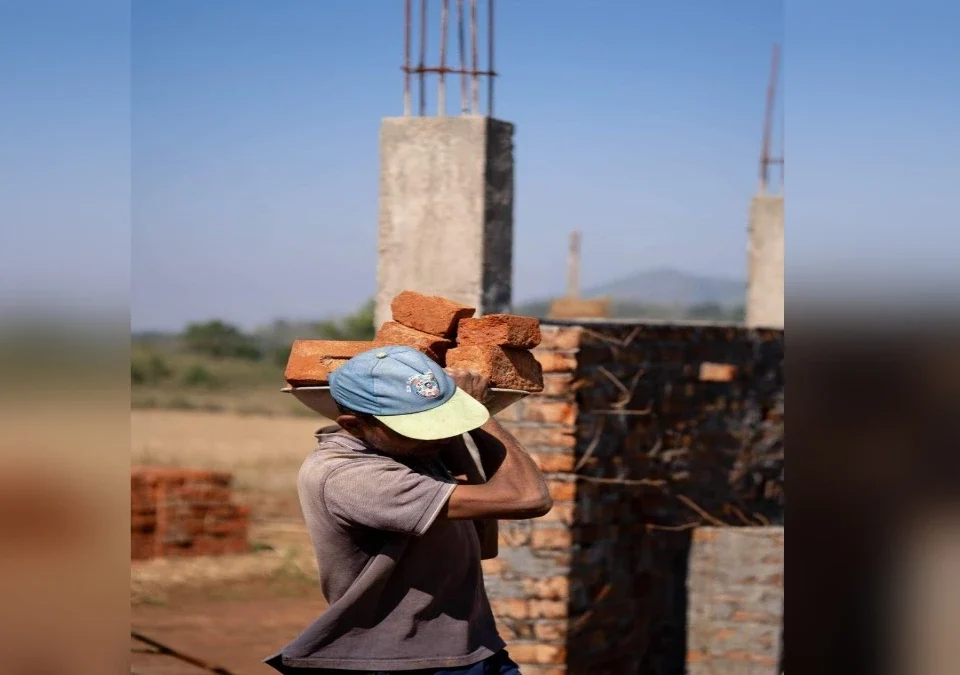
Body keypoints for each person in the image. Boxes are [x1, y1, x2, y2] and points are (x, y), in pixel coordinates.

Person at [265, 344, 552, 675]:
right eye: (417, 427)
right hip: (403, 663)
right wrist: (476, 414)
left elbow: (483, 545)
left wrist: (453, 422)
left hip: (473, 650)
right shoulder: (351, 476)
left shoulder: (411, 451)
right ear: (354, 424)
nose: (436, 435)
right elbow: (529, 498)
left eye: (437, 422)